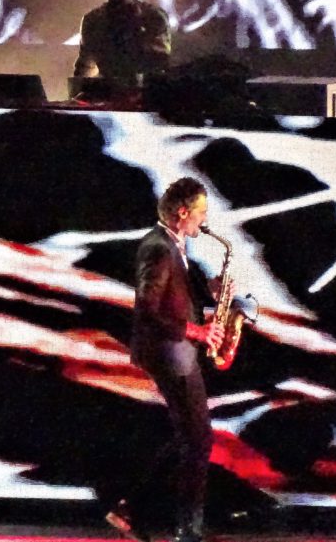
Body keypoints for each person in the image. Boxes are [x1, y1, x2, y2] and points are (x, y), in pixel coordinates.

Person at [106, 178, 224, 542]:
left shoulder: (173, 244)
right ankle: (187, 529)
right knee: (198, 439)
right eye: (201, 212)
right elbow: (149, 309)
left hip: (178, 351)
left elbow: (174, 299)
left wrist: (212, 295)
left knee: (191, 437)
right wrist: (198, 332)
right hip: (169, 353)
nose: (204, 219)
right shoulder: (158, 248)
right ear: (183, 213)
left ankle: (131, 509)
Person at [73, 0, 171, 85]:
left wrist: (135, 27)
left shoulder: (153, 18)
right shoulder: (93, 20)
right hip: (110, 94)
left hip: (145, 94)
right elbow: (85, 69)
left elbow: (159, 64)